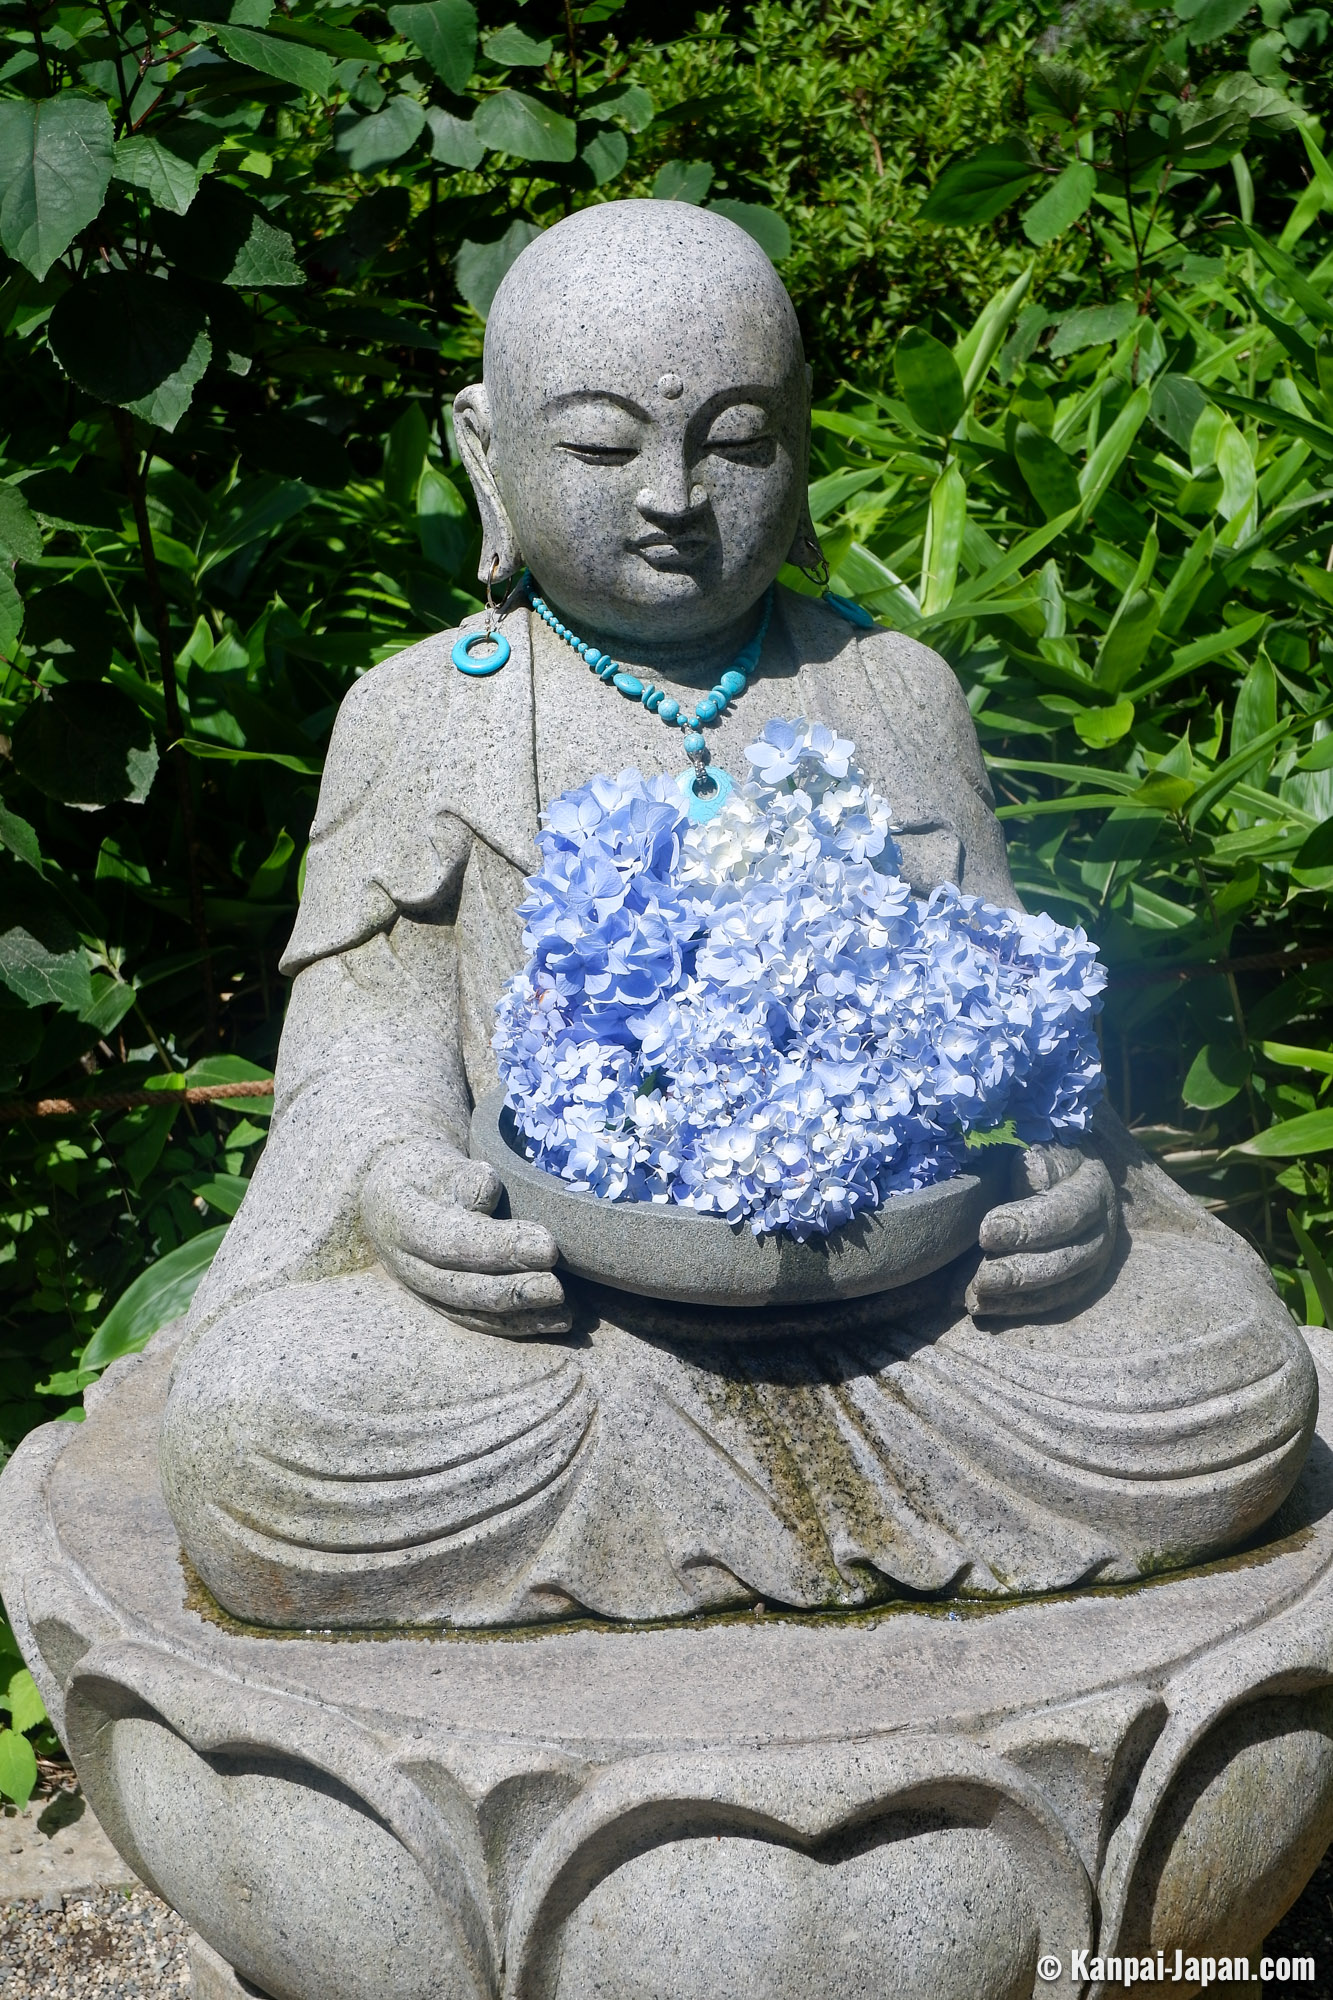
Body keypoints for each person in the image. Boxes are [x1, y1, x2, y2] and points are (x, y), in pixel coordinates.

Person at [160, 202, 1316, 1631]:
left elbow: (1015, 1016)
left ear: (801, 443)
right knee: (270, 1434)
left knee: (1229, 1371)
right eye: (598, 446)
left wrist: (1068, 1182)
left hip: (907, 1299)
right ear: (485, 451)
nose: (671, 497)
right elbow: (363, 1052)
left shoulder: (892, 689)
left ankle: (710, 1524)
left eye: (736, 439)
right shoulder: (426, 713)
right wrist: (409, 1193)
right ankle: (764, 1509)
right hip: (573, 1325)